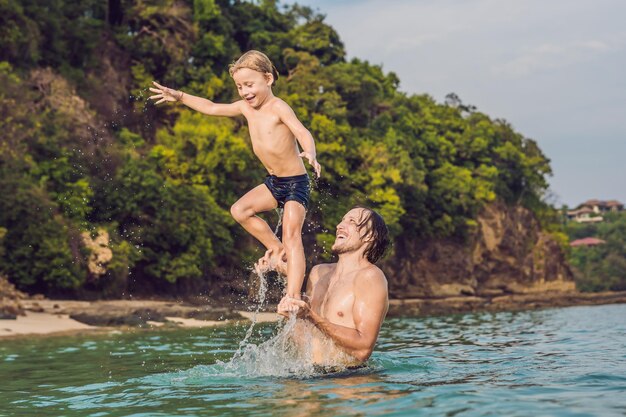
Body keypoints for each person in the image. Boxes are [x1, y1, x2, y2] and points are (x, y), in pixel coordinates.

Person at [149, 50, 321, 311]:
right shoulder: (244, 108)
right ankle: (276, 250)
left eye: (249, 85)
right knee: (239, 210)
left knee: (292, 233)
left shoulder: (278, 107)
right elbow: (211, 106)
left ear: (268, 79)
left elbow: (301, 130)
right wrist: (181, 96)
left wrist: (310, 151)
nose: (244, 92)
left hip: (296, 182)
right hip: (274, 182)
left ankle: (293, 295)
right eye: (240, 86)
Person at [256, 206, 390, 367]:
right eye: (342, 220)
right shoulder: (318, 273)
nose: (340, 225)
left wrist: (311, 316)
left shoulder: (370, 277)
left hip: (348, 380)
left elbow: (363, 349)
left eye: (352, 221)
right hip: (310, 377)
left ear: (369, 236)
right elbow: (301, 336)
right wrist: (286, 278)